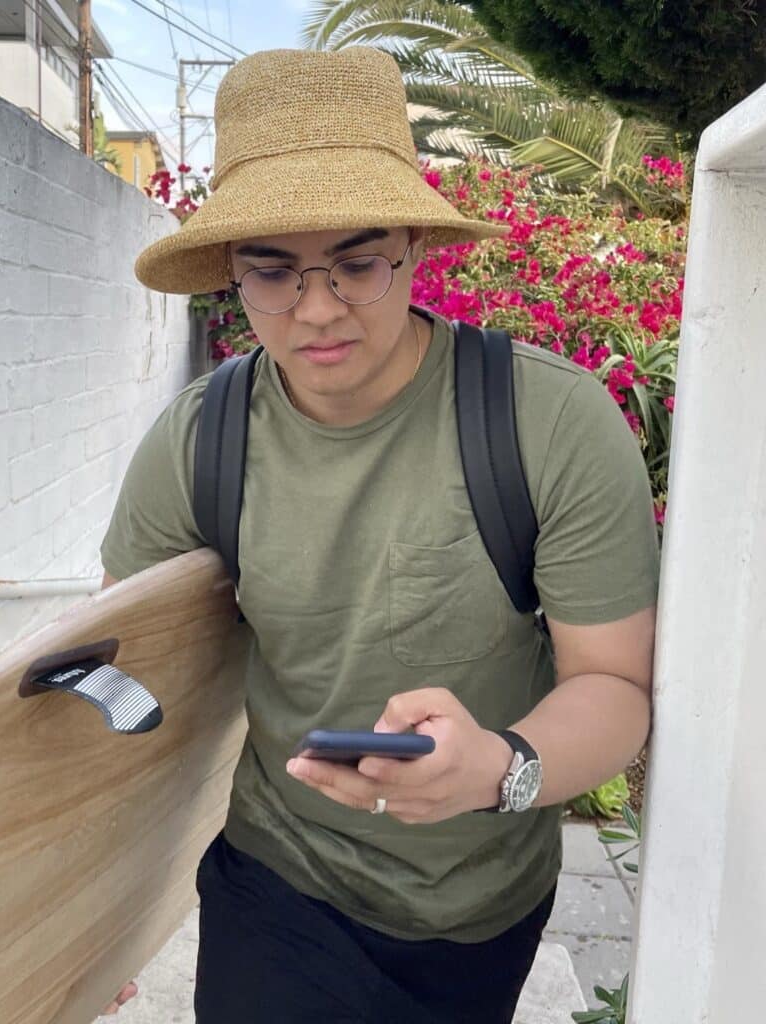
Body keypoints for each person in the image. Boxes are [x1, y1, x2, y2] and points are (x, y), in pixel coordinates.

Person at [97, 46, 659, 1023]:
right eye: (271, 272)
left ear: (412, 244)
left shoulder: (548, 424)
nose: (316, 308)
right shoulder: (200, 441)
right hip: (278, 877)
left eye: (356, 262)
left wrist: (498, 766)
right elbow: (119, 682)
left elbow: (612, 686)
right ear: (231, 270)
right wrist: (88, 915)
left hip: (482, 904)